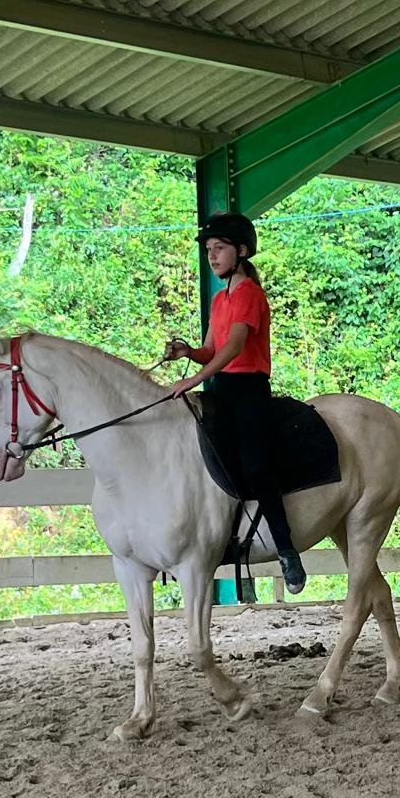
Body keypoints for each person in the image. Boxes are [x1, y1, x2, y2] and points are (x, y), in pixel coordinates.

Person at [164, 212, 307, 594]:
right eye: (209, 250)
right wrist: (188, 352)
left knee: (257, 466)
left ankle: (287, 549)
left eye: (220, 249)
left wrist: (195, 378)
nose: (212, 257)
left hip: (248, 390)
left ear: (241, 251)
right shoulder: (219, 298)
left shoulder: (249, 294)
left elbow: (235, 345)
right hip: (220, 388)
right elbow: (211, 348)